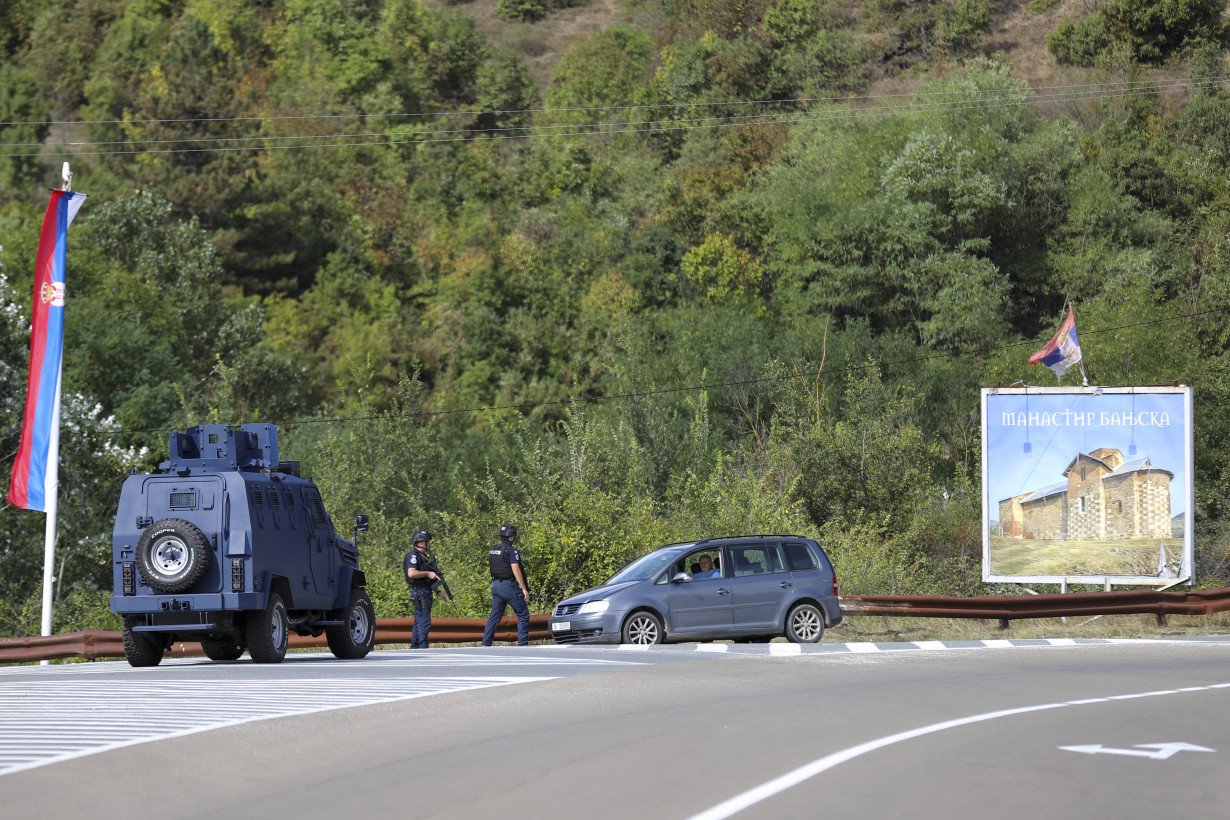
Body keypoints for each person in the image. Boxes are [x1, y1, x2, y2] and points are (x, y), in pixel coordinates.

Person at [481, 523, 531, 646]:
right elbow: (516, 570)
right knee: (523, 614)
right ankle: (523, 644)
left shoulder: (494, 549)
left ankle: (485, 643)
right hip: (508, 586)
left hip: (496, 585)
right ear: (511, 536)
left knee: (495, 615)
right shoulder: (511, 550)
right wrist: (524, 588)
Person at [404, 530, 443, 649]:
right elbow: (411, 573)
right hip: (420, 591)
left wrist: (438, 591)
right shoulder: (413, 556)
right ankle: (422, 646)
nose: (428, 544)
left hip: (424, 590)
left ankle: (415, 645)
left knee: (419, 619)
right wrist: (428, 573)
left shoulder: (423, 557)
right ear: (420, 542)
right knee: (424, 620)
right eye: (426, 541)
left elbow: (430, 578)